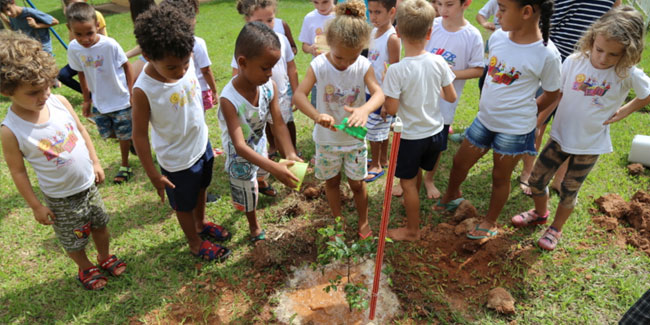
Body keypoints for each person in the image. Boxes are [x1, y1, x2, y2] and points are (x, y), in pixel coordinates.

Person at [511, 6, 650, 250]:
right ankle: (540, 213)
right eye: (599, 49)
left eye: (613, 54)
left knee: (569, 191)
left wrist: (623, 112)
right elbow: (557, 95)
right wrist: (538, 121)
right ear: (592, 38)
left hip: (589, 145)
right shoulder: (575, 62)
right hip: (559, 137)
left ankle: (555, 228)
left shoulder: (626, 72)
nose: (603, 58)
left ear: (628, 53)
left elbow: (646, 94)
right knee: (536, 180)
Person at [1, 30, 126, 290]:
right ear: (6, 90)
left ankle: (104, 256)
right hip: (61, 199)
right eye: (34, 92)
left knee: (101, 224)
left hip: (88, 186)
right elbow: (18, 172)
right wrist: (36, 206)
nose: (44, 94)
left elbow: (81, 131)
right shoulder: (10, 130)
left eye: (47, 85)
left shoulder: (58, 102)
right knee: (74, 239)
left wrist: (95, 162)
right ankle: (85, 268)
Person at [436, 0, 561, 241]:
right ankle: (450, 196)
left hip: (514, 130)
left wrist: (529, 111)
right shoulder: (498, 38)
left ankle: (490, 221)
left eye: (502, 9)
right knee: (460, 162)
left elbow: (553, 93)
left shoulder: (547, 54)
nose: (497, 15)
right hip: (484, 119)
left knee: (499, 177)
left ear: (526, 12)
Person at [131, 4, 231, 261]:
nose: (182, 70)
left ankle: (201, 224)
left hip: (201, 144)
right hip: (177, 161)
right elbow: (139, 135)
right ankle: (195, 242)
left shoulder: (185, 57)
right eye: (173, 68)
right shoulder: (144, 90)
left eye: (186, 62)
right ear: (148, 56)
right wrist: (153, 175)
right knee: (183, 204)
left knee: (201, 189)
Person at [294, 1, 383, 239]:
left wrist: (364, 110)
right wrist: (316, 115)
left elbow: (379, 93)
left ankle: (363, 221)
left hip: (354, 140)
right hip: (326, 140)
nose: (346, 64)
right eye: (340, 57)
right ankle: (337, 221)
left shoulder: (363, 65)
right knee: (331, 183)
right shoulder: (319, 65)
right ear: (329, 44)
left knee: (357, 183)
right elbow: (299, 95)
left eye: (352, 58)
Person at [518, 0, 620, 196]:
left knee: (569, 125)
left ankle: (559, 179)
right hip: (554, 63)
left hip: (590, 66)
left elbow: (612, 21)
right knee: (539, 120)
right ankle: (528, 172)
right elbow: (546, 22)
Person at [220, 22, 302, 243]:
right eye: (265, 68)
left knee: (262, 173)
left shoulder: (269, 87)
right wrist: (275, 167)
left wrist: (290, 154)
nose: (270, 74)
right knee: (248, 191)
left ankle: (263, 181)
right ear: (243, 63)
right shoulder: (229, 100)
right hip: (241, 157)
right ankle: (254, 225)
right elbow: (239, 146)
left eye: (273, 68)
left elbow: (278, 124)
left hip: (259, 144)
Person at [382, 0, 456, 241]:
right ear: (430, 32)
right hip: (435, 132)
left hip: (411, 136)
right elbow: (451, 96)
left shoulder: (396, 70)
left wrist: (388, 97)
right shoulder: (439, 61)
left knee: (407, 184)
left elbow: (391, 109)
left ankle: (412, 230)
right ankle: (412, 205)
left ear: (398, 32)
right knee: (417, 174)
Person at [419, 0, 483, 199]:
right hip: (419, 98)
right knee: (412, 139)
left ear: (466, 4)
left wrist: (450, 73)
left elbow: (479, 69)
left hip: (446, 103)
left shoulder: (472, 36)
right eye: (439, 4)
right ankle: (408, 178)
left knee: (436, 144)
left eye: (449, 4)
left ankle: (429, 179)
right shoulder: (432, 26)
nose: (443, 10)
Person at [66, 2, 135, 184]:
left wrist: (131, 92)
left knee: (122, 135)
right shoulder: (74, 48)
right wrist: (86, 99)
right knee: (106, 133)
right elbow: (81, 73)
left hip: (120, 99)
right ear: (69, 29)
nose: (85, 39)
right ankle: (129, 139)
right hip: (99, 101)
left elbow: (127, 66)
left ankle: (125, 165)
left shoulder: (109, 45)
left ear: (97, 25)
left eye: (89, 32)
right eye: (78, 34)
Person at [233, 0, 300, 167]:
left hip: (280, 93)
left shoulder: (282, 40)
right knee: (263, 129)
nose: (266, 26)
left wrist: (296, 92)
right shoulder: (244, 46)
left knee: (283, 124)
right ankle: (272, 149)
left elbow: (291, 67)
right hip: (256, 99)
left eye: (270, 20)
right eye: (259, 21)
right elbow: (236, 74)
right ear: (247, 20)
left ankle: (290, 157)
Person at [363, 0, 399, 183]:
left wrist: (387, 100)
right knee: (380, 129)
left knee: (373, 130)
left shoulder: (392, 38)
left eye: (378, 12)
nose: (373, 16)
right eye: (370, 11)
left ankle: (376, 164)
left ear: (392, 12)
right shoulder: (373, 32)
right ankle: (382, 159)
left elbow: (393, 70)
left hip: (382, 93)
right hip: (370, 89)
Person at [161, 0, 219, 112]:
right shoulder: (198, 43)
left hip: (180, 91)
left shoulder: (169, 45)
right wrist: (214, 90)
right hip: (199, 89)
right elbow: (206, 70)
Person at [57, 0, 107, 94]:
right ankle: (89, 94)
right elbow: (73, 42)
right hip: (82, 57)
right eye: (70, 4)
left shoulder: (95, 15)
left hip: (97, 56)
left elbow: (103, 37)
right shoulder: (72, 19)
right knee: (63, 75)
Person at [298, 0, 335, 107]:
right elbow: (304, 46)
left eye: (325, 2)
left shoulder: (341, 16)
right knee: (317, 108)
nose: (320, 6)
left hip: (339, 71)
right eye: (316, 2)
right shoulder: (310, 18)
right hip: (319, 72)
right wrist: (311, 49)